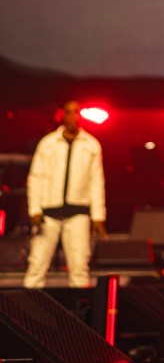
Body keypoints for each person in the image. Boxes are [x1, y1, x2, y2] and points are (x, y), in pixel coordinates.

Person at [24, 100, 107, 288]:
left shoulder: (91, 145)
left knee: (79, 267)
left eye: (76, 112)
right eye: (68, 112)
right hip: (48, 212)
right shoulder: (48, 143)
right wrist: (34, 210)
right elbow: (36, 177)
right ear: (62, 115)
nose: (72, 117)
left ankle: (80, 305)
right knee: (37, 264)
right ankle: (26, 304)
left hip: (78, 212)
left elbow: (96, 181)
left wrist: (98, 216)